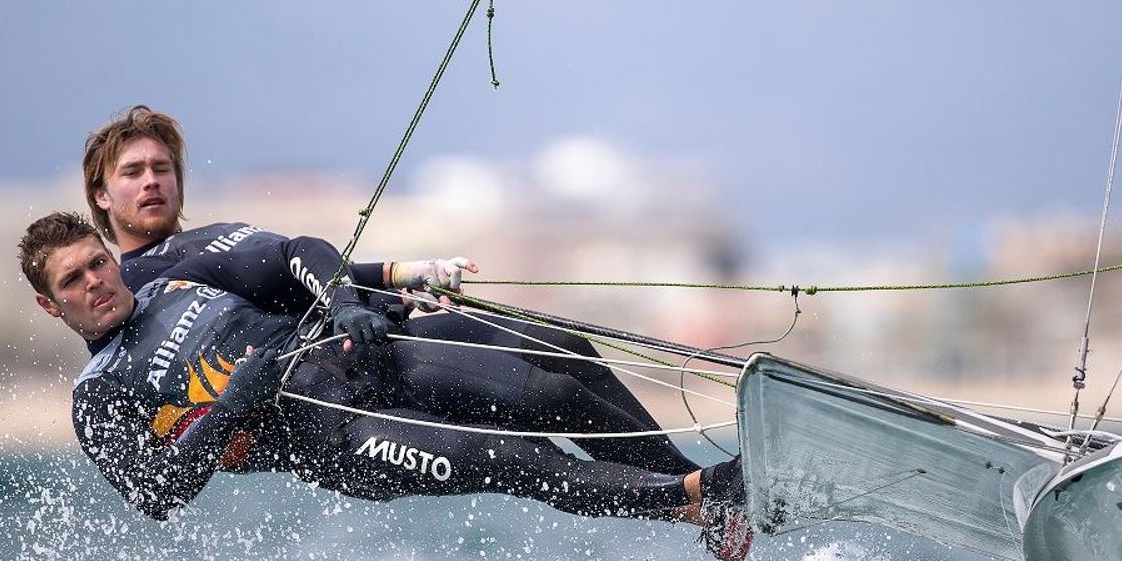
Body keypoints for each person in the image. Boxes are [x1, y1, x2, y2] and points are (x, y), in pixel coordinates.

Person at [21, 211, 752, 561]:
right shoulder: (100, 393)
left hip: (362, 359)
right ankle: (702, 489)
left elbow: (293, 255)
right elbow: (154, 490)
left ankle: (702, 503)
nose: (96, 282)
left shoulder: (174, 277)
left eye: (96, 263)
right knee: (511, 454)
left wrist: (345, 301)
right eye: (73, 281)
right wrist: (230, 407)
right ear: (53, 307)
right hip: (334, 438)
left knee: (546, 377)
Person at [79, 104, 707, 479]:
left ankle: (693, 483)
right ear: (103, 197)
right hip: (344, 390)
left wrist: (403, 274)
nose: (152, 182)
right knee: (538, 405)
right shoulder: (142, 280)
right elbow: (288, 265)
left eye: (162, 168)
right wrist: (347, 300)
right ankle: (694, 493)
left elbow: (287, 278)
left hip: (374, 332)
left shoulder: (203, 240)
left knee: (563, 344)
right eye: (132, 173)